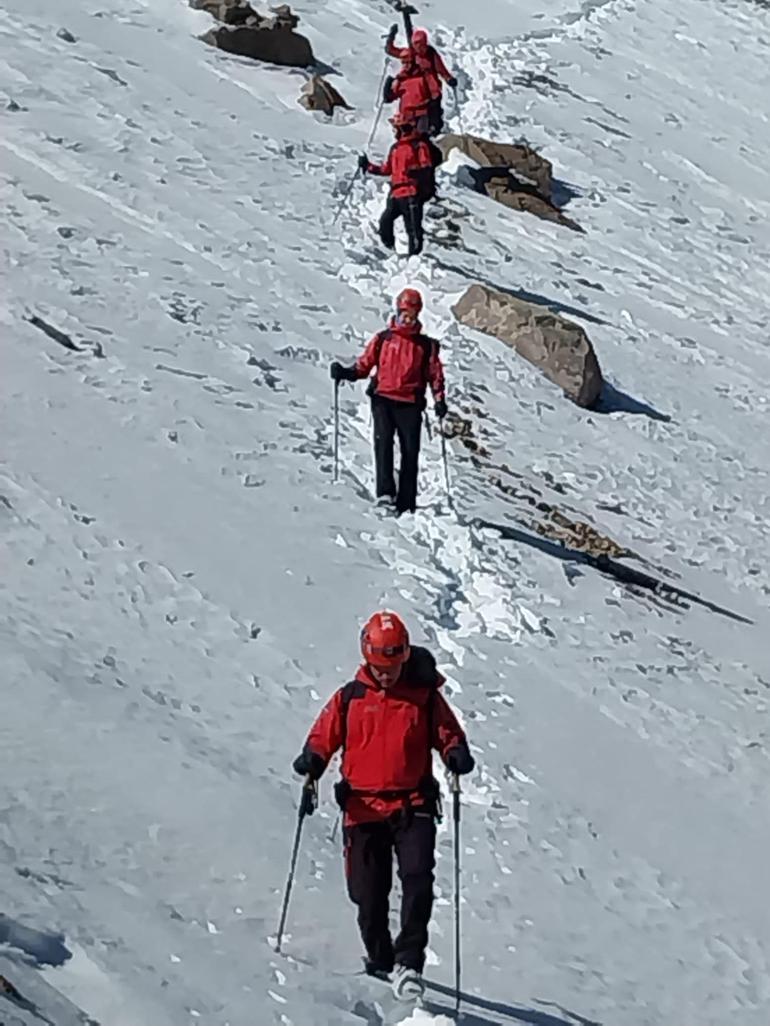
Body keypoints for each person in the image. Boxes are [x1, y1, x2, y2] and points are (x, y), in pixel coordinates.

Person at [292, 610, 475, 1000]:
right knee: (367, 893)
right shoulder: (350, 697)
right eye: (379, 666)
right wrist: (313, 760)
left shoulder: (424, 696)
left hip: (414, 805)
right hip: (362, 809)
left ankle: (409, 963)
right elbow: (324, 736)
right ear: (367, 659)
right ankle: (380, 960)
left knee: (417, 881)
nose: (387, 674)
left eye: (393, 665)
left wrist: (455, 752)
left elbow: (448, 733)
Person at [330, 287, 447, 516]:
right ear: (397, 311)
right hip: (383, 399)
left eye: (412, 315)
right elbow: (364, 365)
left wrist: (439, 400)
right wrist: (346, 373)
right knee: (383, 445)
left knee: (410, 452)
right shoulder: (383, 339)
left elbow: (435, 375)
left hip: (411, 403)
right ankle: (385, 494)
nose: (407, 319)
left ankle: (406, 502)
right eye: (404, 313)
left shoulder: (426, 346)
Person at [357, 114, 434, 256]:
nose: (394, 131)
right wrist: (368, 166)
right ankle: (388, 249)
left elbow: (427, 168)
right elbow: (386, 169)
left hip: (411, 193)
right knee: (385, 222)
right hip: (396, 193)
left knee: (413, 228)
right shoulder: (395, 148)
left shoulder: (419, 146)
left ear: (403, 128)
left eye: (396, 128)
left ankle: (415, 258)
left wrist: (416, 174)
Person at [385, 25, 457, 136]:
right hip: (415, 91)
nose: (420, 48)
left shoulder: (431, 54)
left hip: (432, 91)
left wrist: (449, 79)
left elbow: (441, 68)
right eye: (417, 45)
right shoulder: (410, 54)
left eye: (422, 45)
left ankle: (434, 133)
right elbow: (391, 50)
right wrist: (391, 37)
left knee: (434, 116)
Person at [384, 55, 435, 136]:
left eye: (408, 62)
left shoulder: (423, 77)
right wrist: (388, 83)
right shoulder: (401, 80)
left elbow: (434, 94)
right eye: (403, 63)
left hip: (420, 114)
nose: (406, 65)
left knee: (421, 138)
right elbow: (390, 97)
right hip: (405, 117)